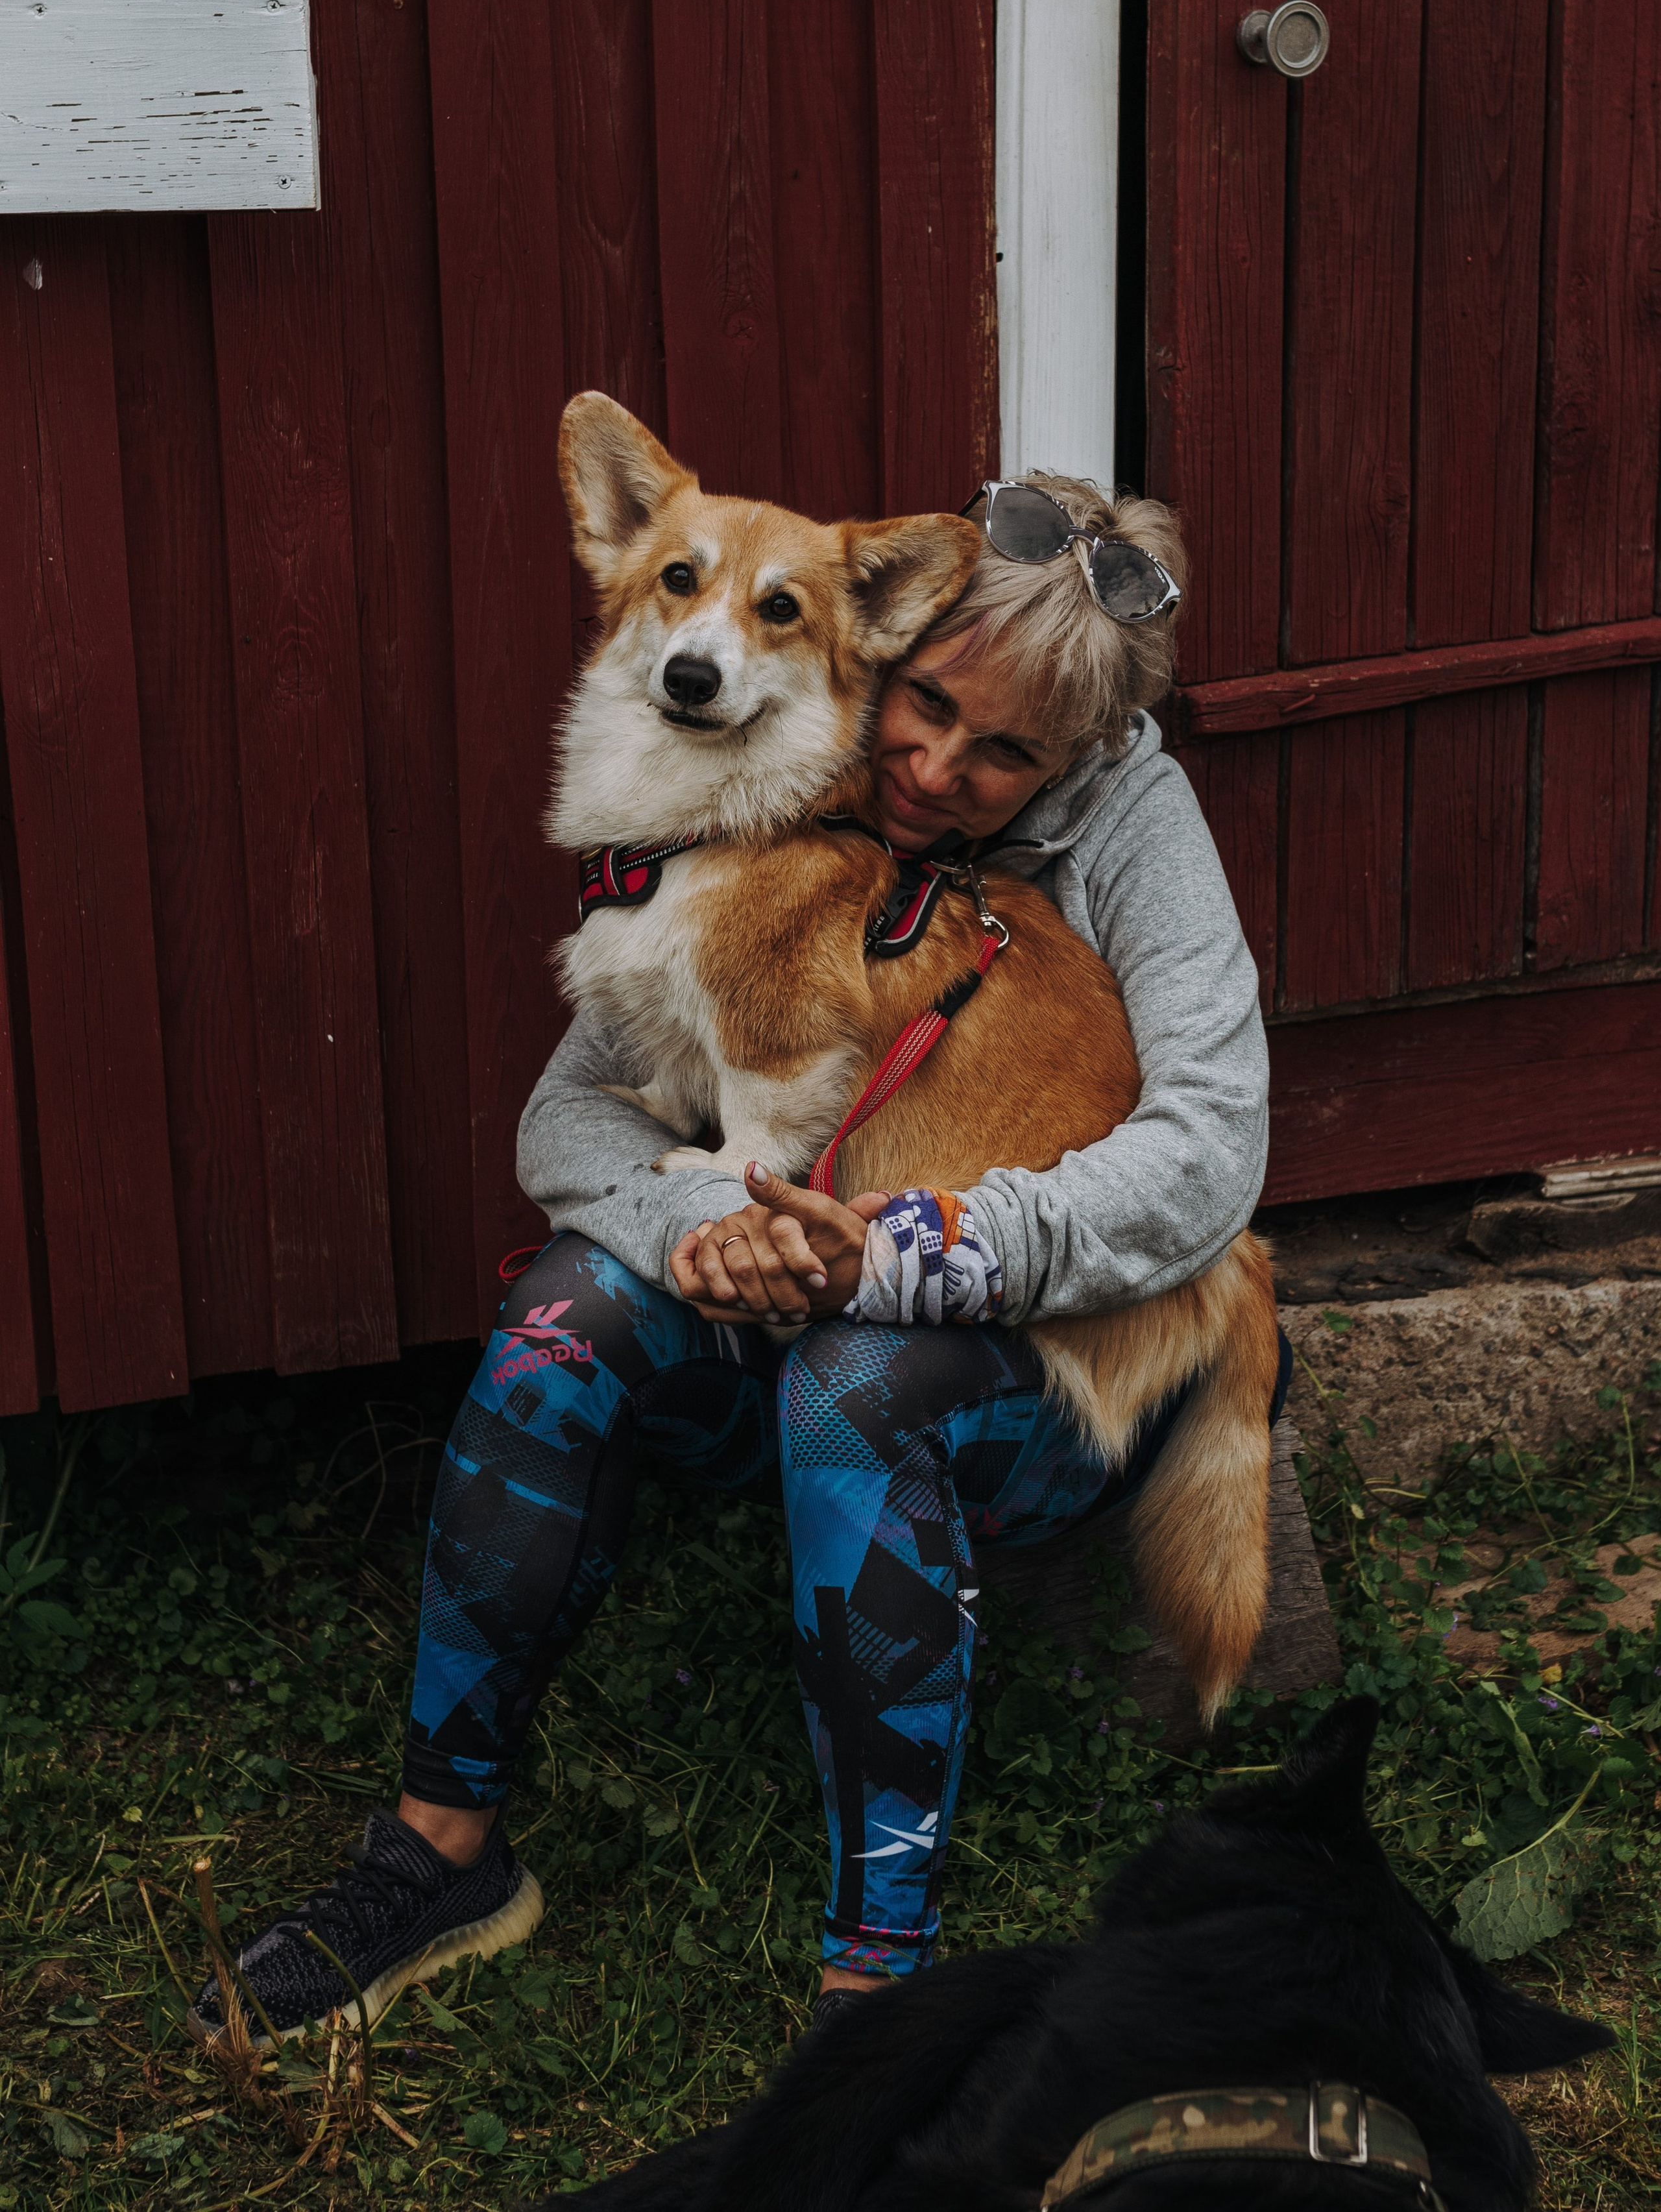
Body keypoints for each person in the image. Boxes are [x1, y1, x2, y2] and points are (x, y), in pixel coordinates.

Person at [192, 474, 1278, 2047]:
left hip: (1046, 1335)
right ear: (872, 651)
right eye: (917, 708)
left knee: (853, 1380)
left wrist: (898, 1258)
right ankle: (439, 1851)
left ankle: (872, 1985)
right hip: (799, 1255)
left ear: (1077, 756)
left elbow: (1204, 1154)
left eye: (999, 755)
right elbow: (573, 1120)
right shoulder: (754, 782)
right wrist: (715, 1232)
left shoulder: (1127, 825)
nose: (927, 764)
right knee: (563, 1309)